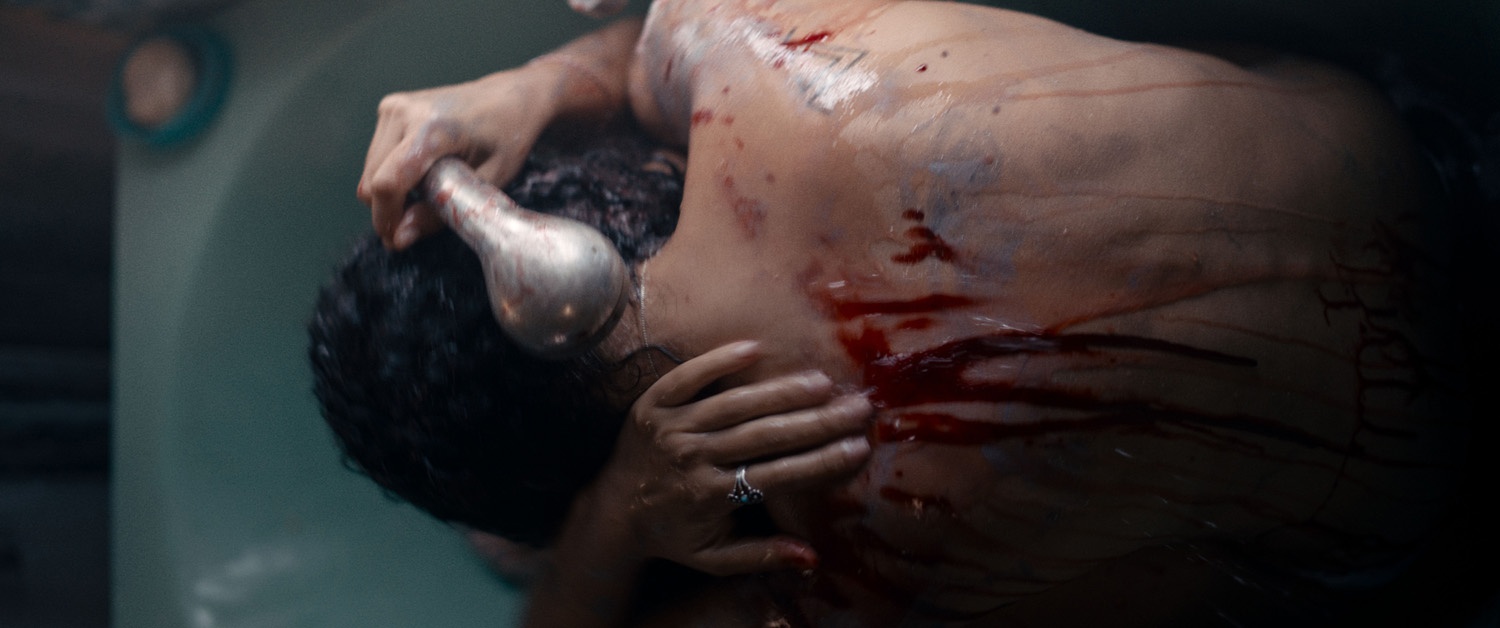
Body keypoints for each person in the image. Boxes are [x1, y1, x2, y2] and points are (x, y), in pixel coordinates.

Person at [326, 0, 1479, 625]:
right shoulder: (745, 47)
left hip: (1438, 511)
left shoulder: (829, 574)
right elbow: (637, 50)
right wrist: (525, 86)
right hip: (1431, 152)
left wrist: (613, 525)